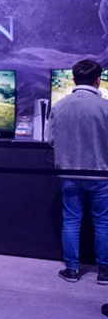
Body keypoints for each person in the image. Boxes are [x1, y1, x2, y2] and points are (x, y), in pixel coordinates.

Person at [47, 59, 108, 284]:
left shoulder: (59, 106)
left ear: (73, 79)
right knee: (103, 222)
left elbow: (50, 140)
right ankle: (104, 272)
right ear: (98, 80)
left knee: (71, 221)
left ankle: (71, 270)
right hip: (101, 174)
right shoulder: (105, 106)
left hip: (68, 173)